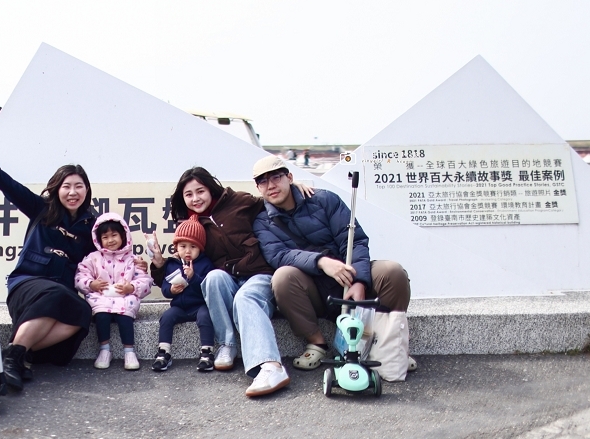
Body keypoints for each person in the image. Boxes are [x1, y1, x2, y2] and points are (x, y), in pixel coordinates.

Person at [0, 142, 147, 389]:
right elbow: (8, 185)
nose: (73, 192)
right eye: (67, 186)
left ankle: (14, 354)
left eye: (79, 186)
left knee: (82, 313)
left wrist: (136, 262)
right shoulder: (41, 209)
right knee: (55, 295)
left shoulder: (93, 226)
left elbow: (110, 255)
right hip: (27, 284)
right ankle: (14, 359)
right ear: (57, 189)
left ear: (87, 190)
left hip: (63, 291)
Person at [151, 166, 313, 397]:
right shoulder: (192, 224)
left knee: (244, 298)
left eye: (200, 191)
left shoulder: (238, 201)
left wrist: (293, 188)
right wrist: (158, 264)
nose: (195, 199)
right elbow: (179, 265)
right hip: (228, 277)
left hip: (259, 274)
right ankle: (227, 344)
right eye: (189, 194)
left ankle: (270, 366)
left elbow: (272, 200)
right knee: (212, 278)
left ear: (211, 188)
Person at [251, 155, 413, 372]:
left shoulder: (325, 200)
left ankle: (391, 344)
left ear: (290, 177)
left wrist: (360, 281)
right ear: (258, 188)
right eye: (263, 181)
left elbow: (354, 240)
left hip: (349, 273)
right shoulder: (262, 222)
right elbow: (279, 255)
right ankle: (317, 342)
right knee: (282, 276)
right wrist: (321, 262)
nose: (271, 185)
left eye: (276, 177)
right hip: (314, 290)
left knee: (392, 272)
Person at [74, 213, 153, 370]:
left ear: (123, 236)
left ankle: (129, 351)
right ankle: (105, 349)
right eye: (105, 237)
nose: (110, 240)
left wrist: (131, 288)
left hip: (124, 298)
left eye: (114, 235)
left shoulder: (132, 258)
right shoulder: (93, 258)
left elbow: (145, 280)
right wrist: (92, 284)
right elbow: (80, 276)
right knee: (101, 315)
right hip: (101, 297)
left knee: (125, 316)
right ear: (98, 239)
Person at [149, 214, 216, 373]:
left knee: (205, 316)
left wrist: (193, 278)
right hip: (179, 306)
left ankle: (207, 353)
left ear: (200, 248)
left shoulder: (206, 264)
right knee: (166, 317)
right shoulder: (172, 265)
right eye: (183, 246)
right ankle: (163, 352)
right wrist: (171, 290)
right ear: (176, 247)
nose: (187, 251)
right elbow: (165, 288)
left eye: (193, 247)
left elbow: (208, 289)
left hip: (199, 305)